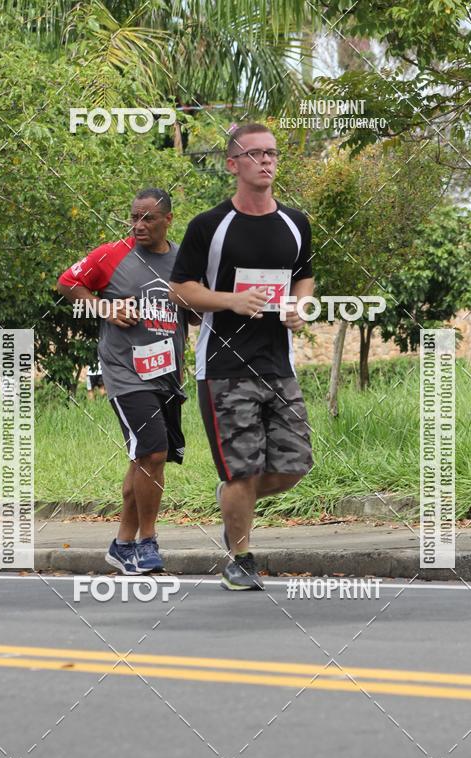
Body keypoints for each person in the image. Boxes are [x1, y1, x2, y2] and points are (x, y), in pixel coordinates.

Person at [169, 123, 314, 591]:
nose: (267, 161)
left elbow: (304, 277)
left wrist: (300, 306)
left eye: (272, 153)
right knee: (241, 468)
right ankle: (240, 557)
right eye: (255, 154)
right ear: (233, 164)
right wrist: (230, 300)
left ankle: (233, 499)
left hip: (279, 365)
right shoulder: (209, 226)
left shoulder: (296, 223)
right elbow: (180, 290)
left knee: (293, 464)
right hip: (225, 368)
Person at [57, 187, 190, 575]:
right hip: (124, 371)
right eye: (133, 217)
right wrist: (103, 306)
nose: (138, 225)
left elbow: (194, 313)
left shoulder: (184, 262)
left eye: (147, 218)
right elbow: (68, 283)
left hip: (166, 373)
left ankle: (121, 544)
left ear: (168, 219)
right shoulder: (111, 254)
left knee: (143, 458)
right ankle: (147, 541)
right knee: (153, 451)